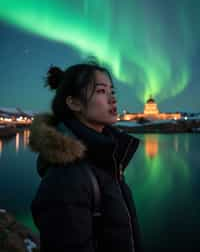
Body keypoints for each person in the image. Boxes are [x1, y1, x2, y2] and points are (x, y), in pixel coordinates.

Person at [29, 62, 143, 252]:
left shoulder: (106, 158)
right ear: (74, 103)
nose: (112, 99)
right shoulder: (67, 177)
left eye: (112, 91)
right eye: (100, 91)